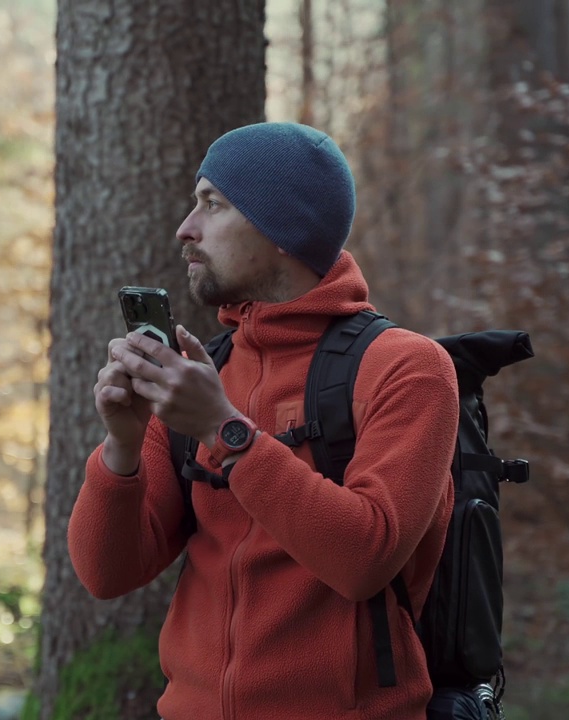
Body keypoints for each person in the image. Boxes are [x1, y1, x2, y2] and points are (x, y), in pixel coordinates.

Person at [68, 122, 460, 719]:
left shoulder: (407, 369)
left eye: (212, 204)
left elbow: (366, 558)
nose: (186, 229)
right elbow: (105, 572)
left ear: (283, 229)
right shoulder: (204, 373)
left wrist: (226, 434)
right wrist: (121, 447)